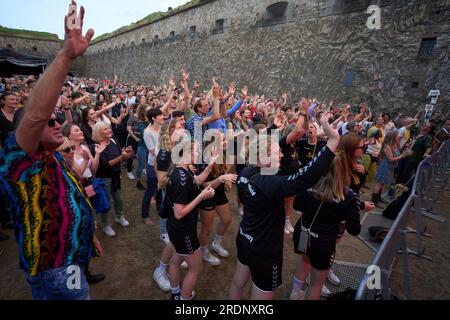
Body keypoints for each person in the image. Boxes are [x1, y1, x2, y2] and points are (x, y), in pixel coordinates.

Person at [0, 1, 102, 299]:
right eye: (50, 120)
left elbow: (70, 199)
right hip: (57, 268)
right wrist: (66, 55)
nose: (58, 122)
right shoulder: (20, 163)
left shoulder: (52, 156)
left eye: (57, 117)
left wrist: (89, 235)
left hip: (72, 257)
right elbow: (34, 115)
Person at [229, 113, 339, 300]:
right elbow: (306, 177)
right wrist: (334, 141)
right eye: (276, 152)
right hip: (265, 251)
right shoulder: (270, 184)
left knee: (237, 283)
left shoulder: (246, 171)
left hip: (245, 238)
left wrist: (272, 129)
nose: (281, 153)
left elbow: (265, 146)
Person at [290, 155, 362, 300]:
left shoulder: (310, 183)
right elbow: (355, 229)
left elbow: (297, 205)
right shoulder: (348, 197)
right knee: (316, 284)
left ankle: (295, 293)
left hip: (303, 231)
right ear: (345, 171)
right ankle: (296, 293)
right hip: (323, 243)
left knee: (305, 260)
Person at [167, 140, 217, 300]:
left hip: (176, 229)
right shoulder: (181, 178)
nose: (197, 154)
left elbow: (195, 182)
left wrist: (210, 166)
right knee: (196, 269)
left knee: (175, 261)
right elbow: (179, 213)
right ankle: (183, 298)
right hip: (183, 230)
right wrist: (202, 196)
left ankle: (175, 293)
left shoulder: (182, 170)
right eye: (195, 151)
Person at [91, 121, 132, 236]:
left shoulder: (114, 141)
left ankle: (119, 216)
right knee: (106, 203)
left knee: (119, 199)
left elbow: (121, 154)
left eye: (109, 128)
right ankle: (105, 225)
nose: (109, 130)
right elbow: (106, 164)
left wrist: (126, 153)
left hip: (116, 176)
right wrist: (121, 157)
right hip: (104, 179)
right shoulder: (97, 147)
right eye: (105, 129)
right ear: (98, 132)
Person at [372, 131, 412, 207]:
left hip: (389, 167)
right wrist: (402, 156)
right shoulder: (387, 146)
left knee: (382, 183)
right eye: (397, 136)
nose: (398, 137)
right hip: (385, 166)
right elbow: (391, 159)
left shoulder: (392, 145)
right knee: (379, 183)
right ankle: (375, 200)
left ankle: (378, 198)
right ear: (393, 137)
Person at [141, 108, 165, 225]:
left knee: (160, 188)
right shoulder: (147, 132)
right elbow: (152, 150)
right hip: (152, 164)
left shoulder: (161, 129)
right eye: (160, 116)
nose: (162, 117)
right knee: (150, 190)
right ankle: (145, 215)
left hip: (163, 163)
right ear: (153, 118)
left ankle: (160, 208)